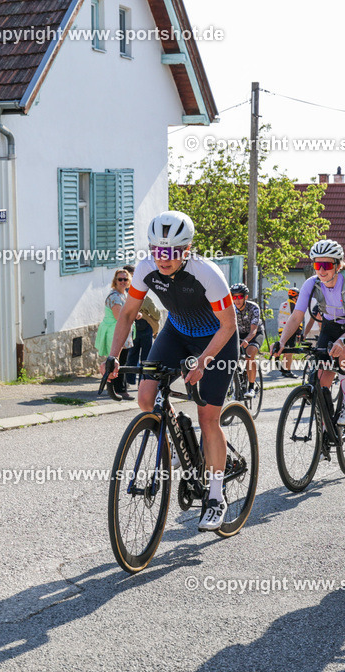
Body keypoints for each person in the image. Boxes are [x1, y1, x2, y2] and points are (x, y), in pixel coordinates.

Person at [101, 211, 237, 531]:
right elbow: (128, 314)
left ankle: (216, 497)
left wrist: (203, 361)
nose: (163, 259)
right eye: (157, 251)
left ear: (186, 250)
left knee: (209, 417)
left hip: (216, 339)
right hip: (176, 333)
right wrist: (113, 356)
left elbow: (229, 325)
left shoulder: (208, 274)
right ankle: (180, 429)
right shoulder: (147, 268)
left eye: (171, 252)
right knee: (146, 398)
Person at [272, 239, 345, 426]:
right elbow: (296, 316)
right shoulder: (312, 283)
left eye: (327, 265)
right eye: (317, 265)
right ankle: (326, 429)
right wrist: (282, 342)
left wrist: (341, 342)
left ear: (338, 266)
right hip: (329, 327)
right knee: (321, 380)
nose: (321, 270)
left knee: (344, 355)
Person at [95, 269, 135, 400]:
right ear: (115, 281)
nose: (123, 282)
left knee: (121, 360)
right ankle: (119, 389)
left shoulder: (123, 295)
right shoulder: (115, 297)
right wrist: (135, 315)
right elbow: (119, 317)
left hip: (120, 330)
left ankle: (118, 388)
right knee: (117, 361)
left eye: (125, 279)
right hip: (115, 331)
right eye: (120, 279)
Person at [123, 264, 160, 388]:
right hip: (144, 328)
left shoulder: (121, 294)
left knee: (132, 356)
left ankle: (129, 381)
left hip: (133, 329)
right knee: (146, 357)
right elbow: (156, 314)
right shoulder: (140, 294)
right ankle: (143, 383)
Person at [231, 283, 262, 398]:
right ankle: (237, 385)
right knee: (230, 357)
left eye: (240, 297)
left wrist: (247, 340)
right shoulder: (231, 309)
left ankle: (252, 387)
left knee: (249, 355)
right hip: (238, 334)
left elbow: (253, 330)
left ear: (245, 297)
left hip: (255, 333)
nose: (237, 300)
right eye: (234, 297)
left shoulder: (253, 307)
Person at [276, 287, 302, 378]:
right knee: (289, 352)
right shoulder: (294, 306)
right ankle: (288, 371)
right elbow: (297, 320)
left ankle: (284, 370)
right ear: (296, 297)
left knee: (285, 350)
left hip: (282, 330)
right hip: (291, 331)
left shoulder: (283, 304)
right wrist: (299, 333)